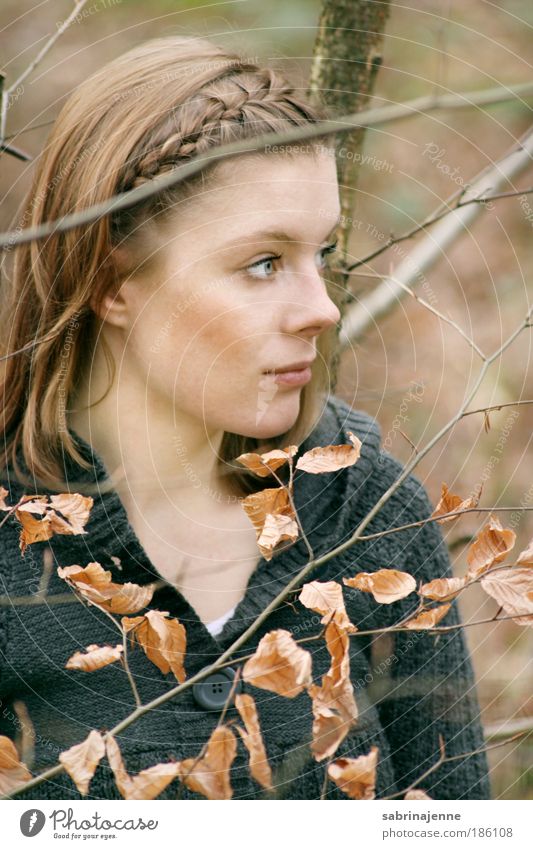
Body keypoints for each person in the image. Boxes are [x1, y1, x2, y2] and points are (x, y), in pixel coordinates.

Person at [0, 35, 491, 801]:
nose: (321, 308)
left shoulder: (369, 512)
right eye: (263, 263)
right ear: (113, 283)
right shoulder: (10, 541)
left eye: (320, 254)